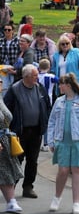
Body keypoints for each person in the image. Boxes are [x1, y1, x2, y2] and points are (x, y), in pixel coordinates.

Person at [4, 64, 52, 198]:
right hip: (20, 132)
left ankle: (28, 187)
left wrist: (45, 120)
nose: (37, 77)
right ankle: (10, 187)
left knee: (33, 160)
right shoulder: (14, 90)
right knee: (17, 160)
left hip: (36, 130)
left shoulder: (40, 88)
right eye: (35, 75)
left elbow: (47, 105)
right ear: (26, 77)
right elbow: (6, 110)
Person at [47, 73, 79, 214]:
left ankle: (76, 203)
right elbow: (52, 121)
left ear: (68, 85)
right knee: (63, 171)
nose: (59, 86)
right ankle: (57, 197)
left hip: (78, 142)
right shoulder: (59, 101)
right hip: (62, 141)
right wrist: (51, 140)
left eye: (61, 84)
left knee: (77, 171)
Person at [0, 84, 24, 214]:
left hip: (5, 140)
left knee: (7, 171)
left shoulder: (1, 98)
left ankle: (11, 202)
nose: (1, 84)